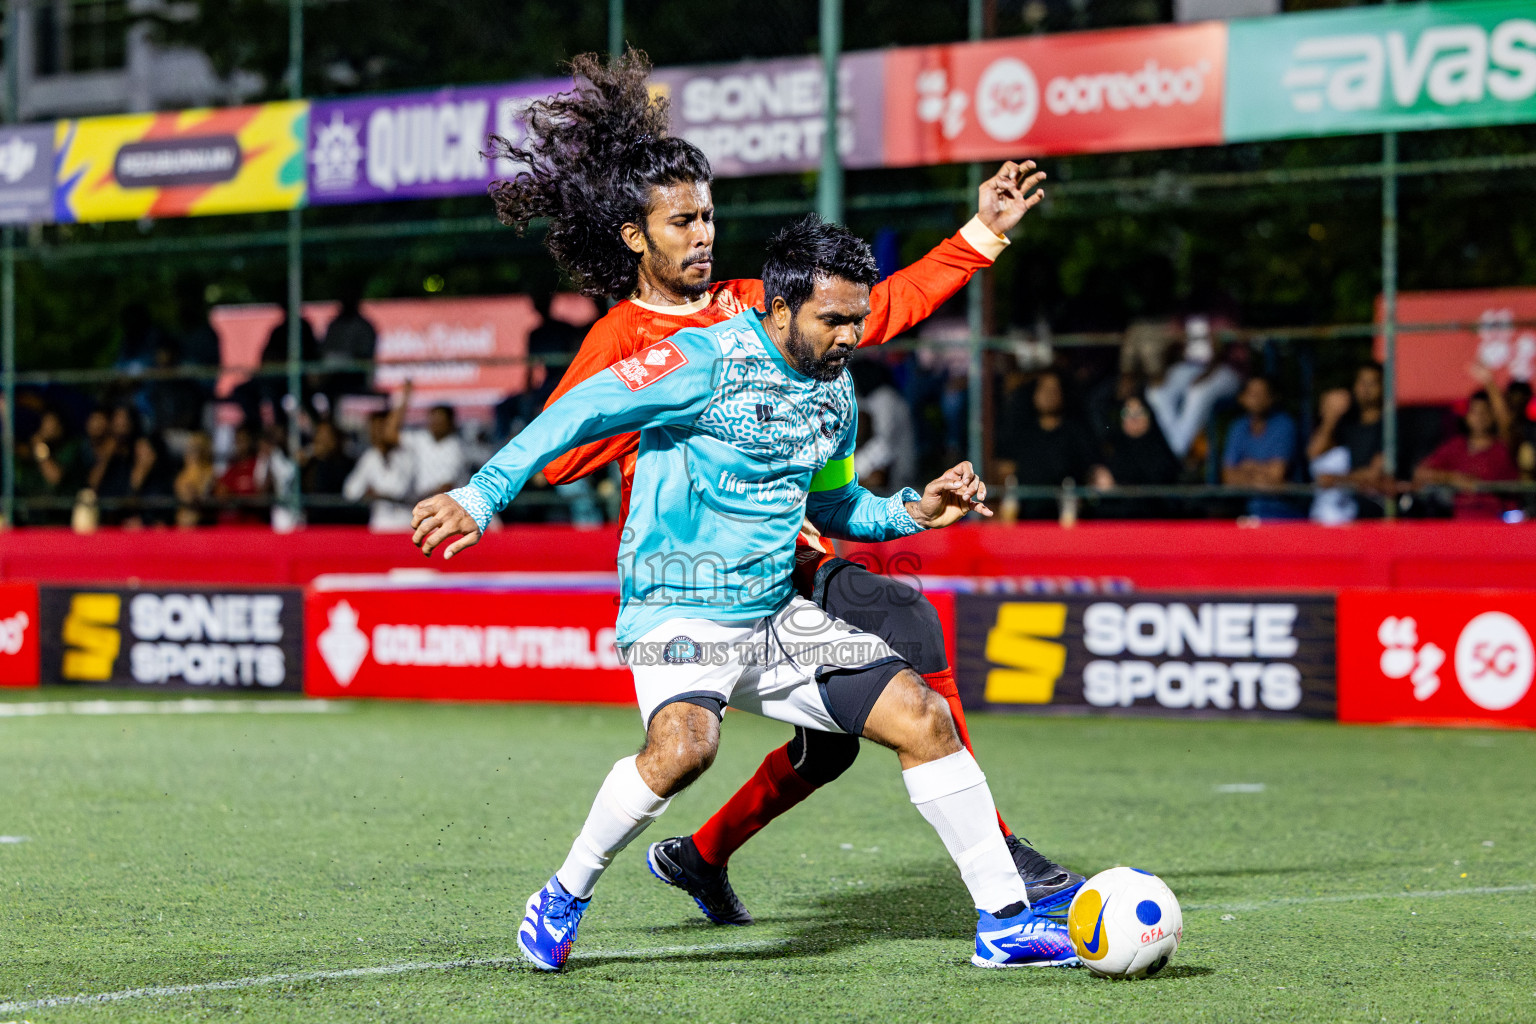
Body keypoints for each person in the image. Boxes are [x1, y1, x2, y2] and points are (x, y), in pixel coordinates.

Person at [484, 48, 1079, 926]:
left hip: (788, 548)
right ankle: (1000, 853)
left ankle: (704, 855)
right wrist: (647, 420)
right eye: (683, 221)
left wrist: (980, 233)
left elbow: (869, 308)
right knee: (893, 635)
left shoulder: (748, 303)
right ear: (636, 237)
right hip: (699, 567)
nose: (703, 235)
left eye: (708, 218)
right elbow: (565, 444)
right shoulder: (620, 341)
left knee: (844, 733)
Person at [411, 218, 1079, 972]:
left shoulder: (835, 391)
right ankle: (563, 893)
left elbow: (834, 507)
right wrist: (483, 491)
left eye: (858, 318)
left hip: (771, 614)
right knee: (686, 750)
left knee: (923, 718)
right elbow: (581, 411)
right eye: (834, 319)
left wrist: (913, 512)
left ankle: (1003, 921)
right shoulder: (701, 359)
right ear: (781, 307)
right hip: (677, 606)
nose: (851, 334)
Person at [1412, 368, 1519, 519]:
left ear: (1493, 416)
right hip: (1462, 524)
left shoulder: (1502, 447)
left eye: (1485, 412)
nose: (1480, 417)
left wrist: (1490, 383)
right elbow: (1421, 473)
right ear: (1467, 417)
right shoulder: (1456, 446)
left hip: (1499, 523)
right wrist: (1453, 478)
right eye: (1475, 412)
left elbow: (1507, 424)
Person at [995, 369, 1097, 519]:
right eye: (1044, 389)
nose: (1049, 395)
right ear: (1034, 394)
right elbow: (1004, 470)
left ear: (1062, 394)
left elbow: (1089, 474)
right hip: (1024, 515)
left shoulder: (1075, 434)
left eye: (1054, 390)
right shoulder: (1022, 433)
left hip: (1066, 516)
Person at [1307, 363, 1392, 522]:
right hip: (1344, 513)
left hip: (1373, 513)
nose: (1366, 389)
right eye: (1362, 383)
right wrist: (1331, 416)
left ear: (1383, 387)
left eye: (1372, 383)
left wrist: (1336, 480)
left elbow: (1375, 474)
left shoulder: (1389, 426)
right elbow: (1313, 453)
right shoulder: (1348, 424)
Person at [1089, 394, 1181, 519]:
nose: (1134, 418)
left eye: (1139, 413)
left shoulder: (1162, 454)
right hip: (1117, 525)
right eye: (1127, 413)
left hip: (1157, 524)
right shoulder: (1109, 451)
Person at [1222, 375, 1300, 520]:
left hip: (1281, 513)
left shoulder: (1284, 425)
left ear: (1272, 398)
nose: (1255, 399)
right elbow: (1228, 477)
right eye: (1251, 394)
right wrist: (1264, 475)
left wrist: (1247, 467)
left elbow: (1277, 474)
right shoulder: (1238, 427)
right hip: (1243, 511)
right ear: (1242, 398)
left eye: (1261, 394)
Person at [850, 359, 916, 495]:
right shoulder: (869, 398)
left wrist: (854, 471)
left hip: (898, 470)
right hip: (879, 463)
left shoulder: (886, 398)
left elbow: (883, 444)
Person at [343, 408, 415, 531]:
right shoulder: (369, 457)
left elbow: (399, 490)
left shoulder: (406, 455)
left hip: (405, 524)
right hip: (379, 525)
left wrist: (375, 493)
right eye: (373, 429)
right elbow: (350, 492)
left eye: (381, 428)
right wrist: (367, 492)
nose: (377, 433)